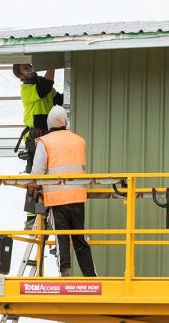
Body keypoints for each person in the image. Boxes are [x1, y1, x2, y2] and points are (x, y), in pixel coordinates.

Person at [32, 105, 97, 278]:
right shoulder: (78, 140)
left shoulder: (45, 142)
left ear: (49, 122)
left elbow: (37, 172)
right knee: (79, 237)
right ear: (65, 121)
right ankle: (90, 275)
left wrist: (34, 188)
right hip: (77, 196)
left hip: (56, 198)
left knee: (62, 238)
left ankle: (65, 273)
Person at [13, 64, 64, 229]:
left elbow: (58, 99)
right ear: (20, 76)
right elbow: (44, 89)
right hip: (36, 136)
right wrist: (53, 64)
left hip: (50, 134)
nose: (29, 69)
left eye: (29, 66)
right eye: (25, 69)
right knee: (35, 175)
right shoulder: (27, 89)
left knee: (50, 175)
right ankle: (31, 217)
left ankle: (45, 214)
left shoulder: (43, 83)